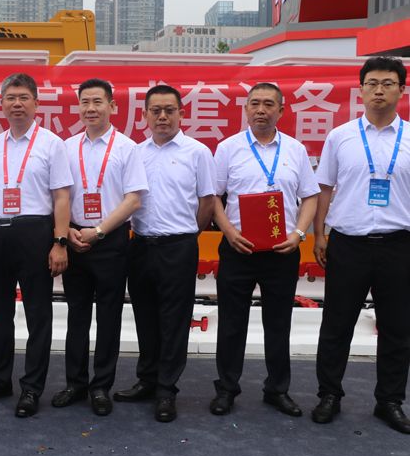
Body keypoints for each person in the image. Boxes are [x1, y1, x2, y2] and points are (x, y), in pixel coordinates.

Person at [311, 57, 410, 434]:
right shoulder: (341, 137)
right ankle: (329, 395)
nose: (379, 90)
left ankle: (390, 401)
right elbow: (324, 188)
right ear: (361, 89)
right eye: (372, 83)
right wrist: (319, 235)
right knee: (337, 324)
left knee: (398, 328)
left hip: (399, 245)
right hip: (348, 244)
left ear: (401, 89)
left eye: (388, 83)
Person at [210, 83, 318, 417]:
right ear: (245, 108)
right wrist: (228, 232)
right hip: (238, 249)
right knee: (231, 323)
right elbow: (213, 197)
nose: (261, 110)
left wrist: (299, 234)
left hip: (282, 251)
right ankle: (227, 389)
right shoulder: (228, 148)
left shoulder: (295, 150)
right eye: (254, 103)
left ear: (281, 110)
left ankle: (277, 389)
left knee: (278, 323)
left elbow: (310, 196)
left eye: (269, 104)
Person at [0, 73, 72, 418]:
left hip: (35, 233)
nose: (17, 104)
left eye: (23, 97)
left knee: (37, 314)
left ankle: (31, 387)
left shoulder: (51, 144)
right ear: (1, 104)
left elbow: (61, 196)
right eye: (11, 98)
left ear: (36, 103)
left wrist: (59, 241)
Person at [116, 84, 216, 422]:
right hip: (141, 244)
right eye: (155, 110)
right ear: (144, 115)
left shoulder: (197, 152)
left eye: (169, 110)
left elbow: (207, 202)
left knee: (174, 320)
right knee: (145, 316)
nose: (162, 116)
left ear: (181, 114)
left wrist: (188, 234)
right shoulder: (135, 152)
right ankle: (147, 379)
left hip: (179, 245)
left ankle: (166, 389)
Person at [54, 78, 148, 417]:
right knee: (77, 315)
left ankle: (100, 386)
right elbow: (58, 195)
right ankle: (75, 383)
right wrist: (67, 232)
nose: (91, 108)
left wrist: (97, 232)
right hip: (74, 239)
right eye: (85, 102)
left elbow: (133, 199)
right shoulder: (66, 147)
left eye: (97, 102)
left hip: (110, 241)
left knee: (109, 317)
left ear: (112, 106)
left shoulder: (127, 148)